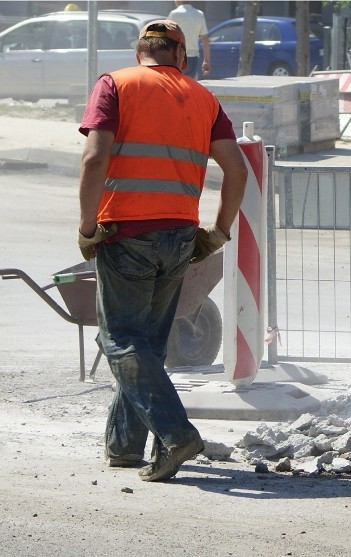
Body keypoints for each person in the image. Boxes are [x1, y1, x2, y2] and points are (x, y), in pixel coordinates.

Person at [76, 19, 247, 482]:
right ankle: (124, 447)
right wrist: (219, 231)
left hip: (127, 233)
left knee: (120, 340)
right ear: (180, 57)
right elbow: (237, 169)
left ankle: (176, 434)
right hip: (180, 235)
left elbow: (95, 158)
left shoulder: (115, 84)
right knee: (145, 344)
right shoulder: (204, 98)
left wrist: (88, 226)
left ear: (140, 52)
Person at [168, 1, 210, 79]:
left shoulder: (174, 14)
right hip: (193, 57)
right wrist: (206, 60)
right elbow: (205, 39)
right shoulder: (199, 14)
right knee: (189, 85)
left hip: (177, 56)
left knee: (177, 85)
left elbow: (166, 36)